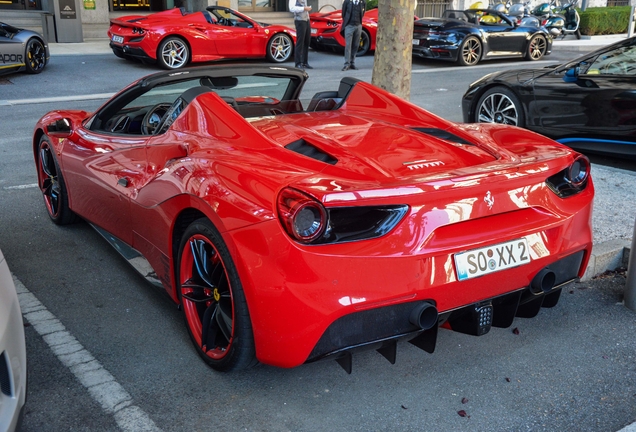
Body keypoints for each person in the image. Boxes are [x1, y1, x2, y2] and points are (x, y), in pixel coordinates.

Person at [340, 0, 365, 71]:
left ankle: (352, 62)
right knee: (348, 45)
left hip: (358, 25)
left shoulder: (362, 2)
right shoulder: (347, 2)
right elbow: (343, 14)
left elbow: (362, 13)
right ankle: (346, 64)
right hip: (349, 26)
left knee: (356, 45)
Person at [289, 0, 313, 70]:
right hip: (299, 20)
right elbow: (291, 8)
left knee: (307, 41)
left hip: (306, 19)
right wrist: (304, 8)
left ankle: (305, 62)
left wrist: (307, 11)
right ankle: (298, 63)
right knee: (300, 41)